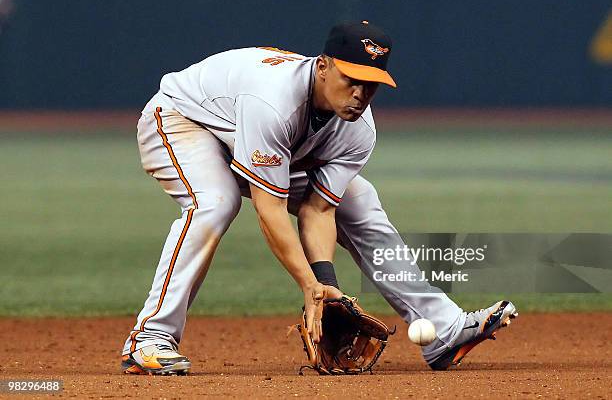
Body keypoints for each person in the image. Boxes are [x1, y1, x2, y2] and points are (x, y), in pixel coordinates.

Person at [121, 21, 517, 375]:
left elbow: (320, 208)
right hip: (182, 120)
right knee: (216, 201)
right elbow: (269, 208)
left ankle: (443, 329)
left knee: (359, 200)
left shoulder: (358, 128)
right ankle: (149, 339)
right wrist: (308, 286)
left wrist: (327, 284)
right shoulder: (273, 102)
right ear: (323, 66)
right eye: (352, 79)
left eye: (372, 83)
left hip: (260, 140)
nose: (361, 93)